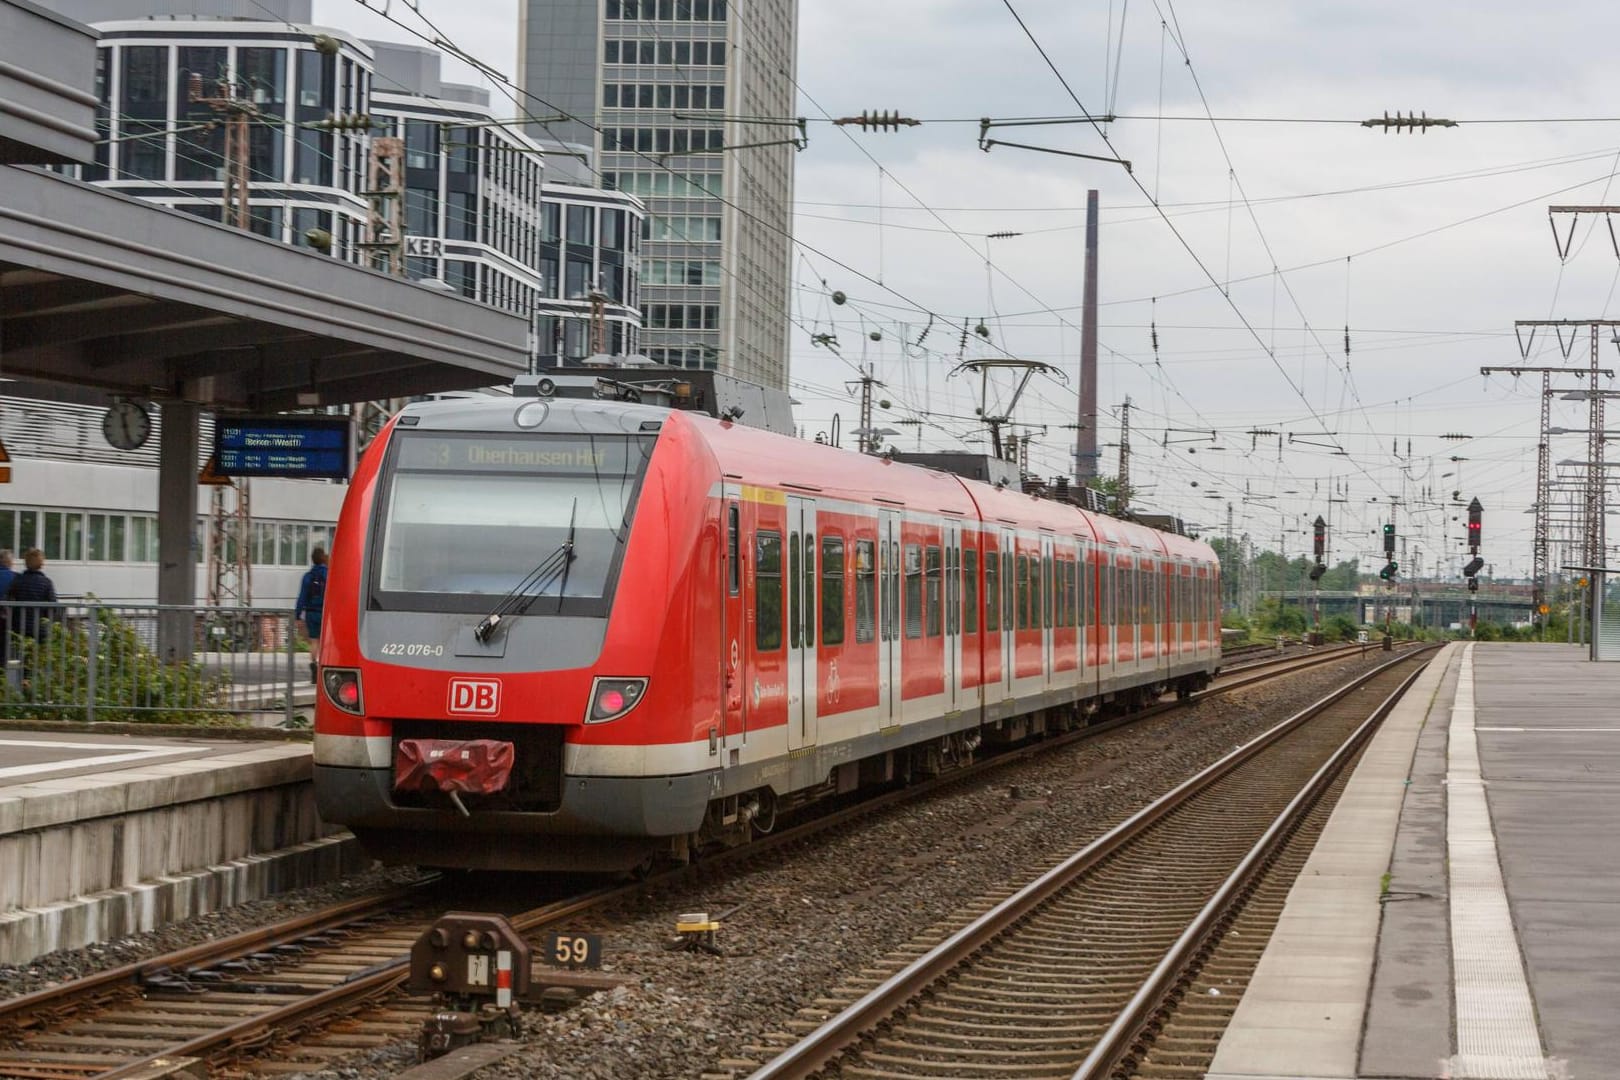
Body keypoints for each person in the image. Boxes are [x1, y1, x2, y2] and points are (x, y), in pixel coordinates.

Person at [7, 549, 59, 681]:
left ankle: (20, 685)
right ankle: (37, 688)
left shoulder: (17, 581)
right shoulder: (46, 583)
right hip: (39, 629)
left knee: (20, 659)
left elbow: (8, 600)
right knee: (39, 660)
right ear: (41, 564)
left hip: (19, 627)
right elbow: (53, 607)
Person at [296, 547, 328, 684]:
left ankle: (314, 665)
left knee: (314, 641)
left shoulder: (308, 576)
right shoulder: (329, 574)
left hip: (311, 613)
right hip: (325, 613)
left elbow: (302, 597)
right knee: (326, 642)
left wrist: (297, 615)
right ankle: (323, 667)